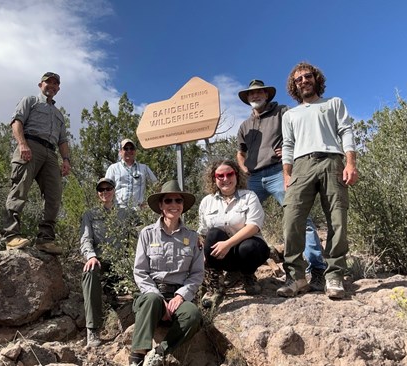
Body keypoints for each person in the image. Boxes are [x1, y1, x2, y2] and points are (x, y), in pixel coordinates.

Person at [277, 62, 359, 300]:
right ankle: (296, 277)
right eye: (298, 79)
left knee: (337, 219)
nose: (303, 81)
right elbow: (288, 144)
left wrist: (351, 163)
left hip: (332, 161)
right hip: (301, 166)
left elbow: (346, 131)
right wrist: (286, 174)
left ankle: (334, 277)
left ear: (316, 78)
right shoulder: (290, 115)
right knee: (292, 218)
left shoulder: (334, 103)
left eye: (307, 76)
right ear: (294, 85)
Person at [236, 79, 327, 291]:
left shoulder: (283, 111)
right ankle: (243, 273)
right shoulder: (245, 126)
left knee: (299, 218)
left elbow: (301, 130)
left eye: (259, 93)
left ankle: (317, 269)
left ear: (267, 95)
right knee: (239, 219)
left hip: (280, 172)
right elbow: (240, 152)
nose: (255, 96)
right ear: (247, 99)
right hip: (254, 178)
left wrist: (292, 152)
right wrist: (242, 167)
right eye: (251, 94)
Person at [129, 180, 203, 366]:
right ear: (161, 206)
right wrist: (157, 295)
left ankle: (160, 351)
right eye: (168, 201)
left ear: (183, 205)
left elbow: (196, 274)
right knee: (152, 300)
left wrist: (181, 295)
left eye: (178, 200)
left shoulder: (193, 237)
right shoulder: (146, 234)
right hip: (152, 296)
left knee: (193, 315)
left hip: (178, 296)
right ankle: (137, 357)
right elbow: (140, 271)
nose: (173, 205)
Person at [2, 72, 71, 254]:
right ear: (40, 84)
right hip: (30, 145)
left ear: (58, 88)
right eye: (49, 82)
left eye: (56, 84)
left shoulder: (58, 115)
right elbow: (16, 122)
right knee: (20, 189)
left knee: (54, 196)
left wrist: (65, 159)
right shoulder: (30, 101)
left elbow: (63, 140)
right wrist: (22, 144)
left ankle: (45, 239)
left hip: (51, 153)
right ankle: (11, 236)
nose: (52, 86)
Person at [197, 159, 270, 309]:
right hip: (223, 255)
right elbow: (202, 232)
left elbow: (254, 226)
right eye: (220, 176)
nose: (225, 179)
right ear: (214, 178)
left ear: (237, 175)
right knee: (212, 235)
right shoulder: (207, 202)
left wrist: (228, 244)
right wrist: (203, 255)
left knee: (248, 247)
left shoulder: (249, 196)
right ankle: (215, 286)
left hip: (248, 250)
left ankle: (247, 275)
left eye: (229, 174)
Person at [80, 178, 135, 347]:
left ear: (114, 190)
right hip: (101, 260)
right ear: (98, 194)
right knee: (89, 272)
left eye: (108, 188)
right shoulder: (90, 215)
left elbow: (140, 232)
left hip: (122, 261)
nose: (105, 192)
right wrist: (91, 256)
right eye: (101, 190)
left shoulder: (126, 213)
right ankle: (93, 329)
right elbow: (85, 239)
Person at [105, 138, 157, 209]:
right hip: (118, 210)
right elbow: (106, 190)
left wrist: (149, 204)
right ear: (120, 152)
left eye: (131, 148)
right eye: (126, 148)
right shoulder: (113, 168)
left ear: (135, 151)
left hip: (139, 211)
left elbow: (156, 186)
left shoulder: (144, 168)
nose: (129, 151)